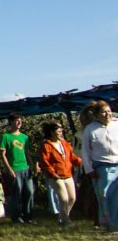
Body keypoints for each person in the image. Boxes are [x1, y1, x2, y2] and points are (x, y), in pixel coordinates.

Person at [82, 100, 118, 233]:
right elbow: (85, 152)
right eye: (104, 111)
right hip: (101, 168)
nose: (107, 114)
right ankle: (110, 225)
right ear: (96, 114)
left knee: (117, 197)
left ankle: (116, 225)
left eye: (109, 111)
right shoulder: (90, 129)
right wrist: (89, 169)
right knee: (105, 196)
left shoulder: (116, 124)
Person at [38, 121, 82, 227]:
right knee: (63, 198)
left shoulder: (65, 143)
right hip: (55, 176)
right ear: (52, 132)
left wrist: (82, 162)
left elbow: (72, 156)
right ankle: (66, 221)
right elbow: (44, 162)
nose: (61, 131)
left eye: (61, 129)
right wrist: (52, 173)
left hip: (67, 174)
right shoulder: (46, 145)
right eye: (58, 129)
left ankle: (61, 218)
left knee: (72, 198)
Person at [0, 113, 38, 224]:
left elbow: (27, 152)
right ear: (10, 122)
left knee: (29, 192)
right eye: (16, 120)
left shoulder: (25, 137)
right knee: (17, 193)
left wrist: (32, 165)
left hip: (26, 168)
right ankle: (16, 217)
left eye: (20, 120)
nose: (19, 122)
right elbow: (3, 154)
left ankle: (28, 216)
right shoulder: (5, 137)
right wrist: (9, 169)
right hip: (14, 169)